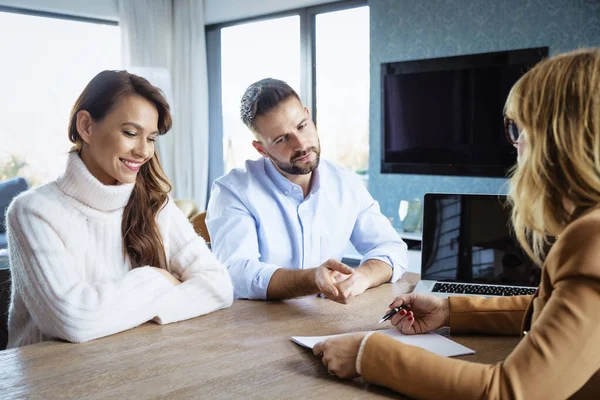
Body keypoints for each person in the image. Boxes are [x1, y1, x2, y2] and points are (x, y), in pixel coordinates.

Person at [313, 48, 600, 399]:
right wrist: (450, 308)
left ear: (559, 138)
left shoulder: (592, 235)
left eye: (518, 128)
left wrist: (366, 354)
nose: (516, 145)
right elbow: (560, 313)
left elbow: (508, 393)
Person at [6, 70, 233, 348]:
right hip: (52, 381)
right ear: (86, 126)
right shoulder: (33, 212)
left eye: (151, 138)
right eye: (130, 133)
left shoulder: (156, 204)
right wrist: (159, 279)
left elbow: (219, 286)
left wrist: (124, 309)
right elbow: (73, 319)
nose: (143, 151)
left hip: (136, 366)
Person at [207, 78, 407, 302]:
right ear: (261, 148)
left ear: (308, 116)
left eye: (302, 126)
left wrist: (360, 277)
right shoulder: (233, 191)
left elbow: (391, 247)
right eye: (282, 139)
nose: (301, 145)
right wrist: (311, 280)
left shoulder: (346, 183)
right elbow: (235, 272)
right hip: (258, 328)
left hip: (328, 321)